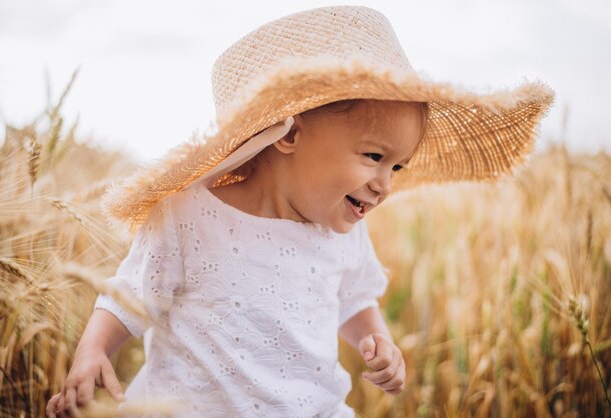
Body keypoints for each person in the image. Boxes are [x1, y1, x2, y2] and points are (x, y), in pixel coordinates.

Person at [46, 5, 553, 418]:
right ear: (288, 134)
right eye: (375, 157)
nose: (385, 185)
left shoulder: (343, 231)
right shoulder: (188, 216)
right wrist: (93, 351)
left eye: (398, 167)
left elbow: (354, 298)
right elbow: (129, 297)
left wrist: (379, 343)